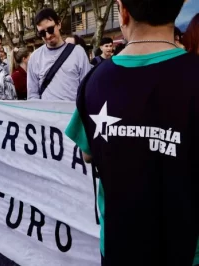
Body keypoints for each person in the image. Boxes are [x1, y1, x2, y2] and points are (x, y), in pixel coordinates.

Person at [66, 0, 199, 265]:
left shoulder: (94, 81)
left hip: (119, 243)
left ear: (122, 11)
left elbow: (87, 153)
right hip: (186, 247)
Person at [27, 8, 91, 101]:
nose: (48, 36)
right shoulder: (35, 57)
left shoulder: (78, 53)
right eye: (42, 33)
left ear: (59, 24)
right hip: (46, 114)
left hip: (72, 113)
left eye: (50, 29)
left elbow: (87, 90)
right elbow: (32, 95)